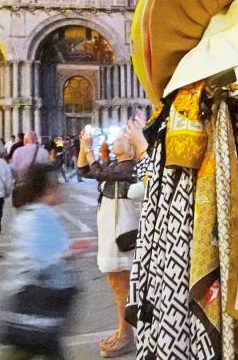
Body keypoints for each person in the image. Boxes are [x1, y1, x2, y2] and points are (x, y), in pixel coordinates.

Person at [1, 163, 88, 359]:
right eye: (59, 184)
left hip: (36, 301)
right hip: (39, 302)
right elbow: (39, 259)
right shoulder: (39, 217)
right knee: (25, 350)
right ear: (49, 189)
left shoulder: (33, 214)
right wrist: (68, 254)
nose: (63, 188)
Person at [77, 119, 147, 357]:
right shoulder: (116, 165)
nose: (111, 142)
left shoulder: (127, 167)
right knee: (117, 282)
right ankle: (123, 331)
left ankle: (126, 334)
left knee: (121, 283)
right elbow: (84, 171)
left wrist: (89, 150)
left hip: (121, 228)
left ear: (128, 146)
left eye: (117, 140)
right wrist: (82, 147)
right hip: (111, 225)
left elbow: (99, 172)